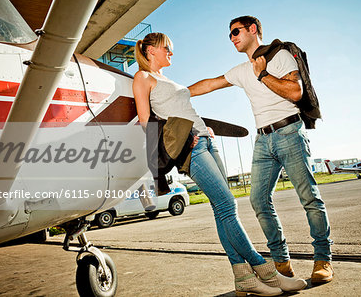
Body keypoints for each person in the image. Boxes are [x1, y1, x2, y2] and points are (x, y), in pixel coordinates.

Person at [133, 32, 307, 296]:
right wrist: (182, 141)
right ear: (150, 51)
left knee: (221, 210)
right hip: (190, 148)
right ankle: (267, 271)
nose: (171, 52)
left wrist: (204, 129)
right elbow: (146, 123)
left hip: (205, 139)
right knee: (228, 206)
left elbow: (183, 110)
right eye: (167, 48)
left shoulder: (167, 80)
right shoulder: (143, 78)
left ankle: (243, 278)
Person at [188, 16, 334, 284]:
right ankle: (282, 262)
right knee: (258, 201)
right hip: (263, 140)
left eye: (235, 32)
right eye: (229, 35)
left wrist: (263, 74)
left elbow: (295, 92)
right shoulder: (241, 70)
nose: (232, 38)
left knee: (309, 198)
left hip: (289, 131)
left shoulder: (280, 55)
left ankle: (323, 259)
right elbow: (210, 83)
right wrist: (177, 95)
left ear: (252, 30)